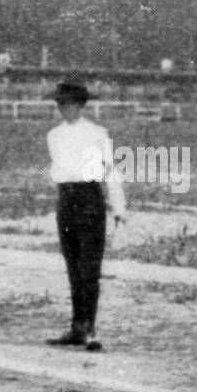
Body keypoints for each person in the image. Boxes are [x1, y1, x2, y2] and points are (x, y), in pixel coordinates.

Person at [45, 81, 125, 351]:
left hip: (90, 199)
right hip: (66, 200)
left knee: (90, 267)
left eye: (67, 103)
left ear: (80, 105)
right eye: (59, 104)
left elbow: (110, 171)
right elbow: (59, 169)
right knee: (72, 265)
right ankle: (77, 326)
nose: (62, 109)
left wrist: (118, 208)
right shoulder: (53, 135)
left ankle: (90, 328)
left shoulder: (97, 133)